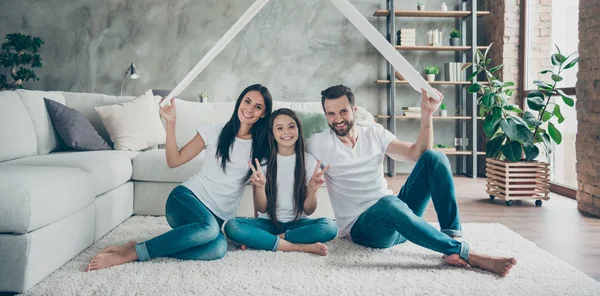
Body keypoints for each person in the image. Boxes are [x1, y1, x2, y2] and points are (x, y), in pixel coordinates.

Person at [306, 85, 517, 276]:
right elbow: (290, 156)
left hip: (398, 220)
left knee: (435, 158)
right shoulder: (318, 143)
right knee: (389, 204)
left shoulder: (375, 134)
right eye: (331, 114)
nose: (338, 119)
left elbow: (418, 153)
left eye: (343, 111)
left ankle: (452, 240)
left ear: (355, 110)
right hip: (364, 230)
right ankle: (469, 254)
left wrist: (427, 115)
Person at [86, 84, 273, 271]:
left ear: (264, 114)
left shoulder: (262, 150)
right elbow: (174, 160)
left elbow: (259, 200)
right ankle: (133, 253)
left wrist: (251, 231)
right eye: (247, 101)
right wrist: (171, 123)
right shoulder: (214, 131)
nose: (249, 109)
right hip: (185, 201)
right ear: (240, 101)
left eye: (257, 107)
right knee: (209, 229)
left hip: (217, 220)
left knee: (217, 248)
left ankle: (140, 247)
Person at [224, 108, 338, 256]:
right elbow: (262, 209)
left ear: (298, 128)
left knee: (330, 227)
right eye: (279, 128)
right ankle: (300, 247)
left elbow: (309, 210)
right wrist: (260, 187)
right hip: (268, 223)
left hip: (298, 225)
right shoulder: (263, 163)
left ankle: (268, 241)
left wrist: (312, 189)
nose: (286, 132)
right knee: (232, 226)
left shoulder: (308, 161)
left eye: (291, 126)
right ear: (272, 133)